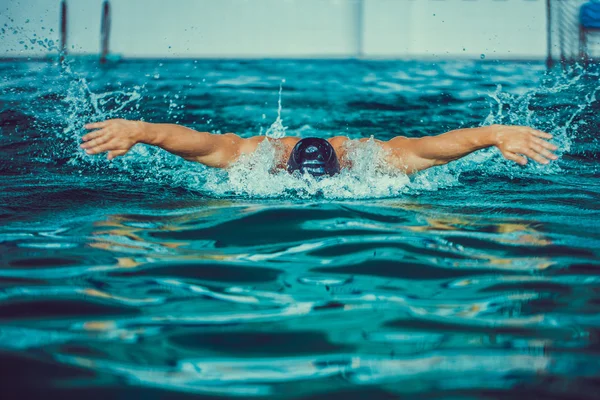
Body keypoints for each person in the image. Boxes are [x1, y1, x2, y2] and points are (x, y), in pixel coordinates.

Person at [80, 119, 558, 177]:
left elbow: (434, 148)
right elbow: (200, 143)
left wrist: (496, 133)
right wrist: (139, 129)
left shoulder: (374, 157)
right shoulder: (257, 154)